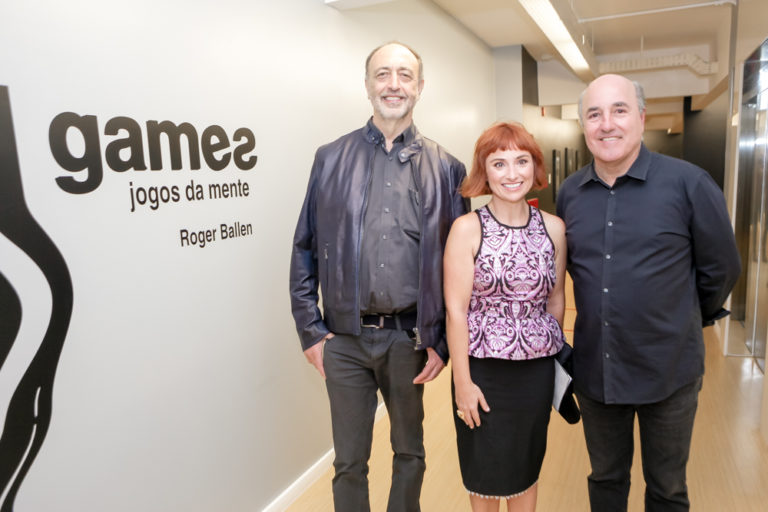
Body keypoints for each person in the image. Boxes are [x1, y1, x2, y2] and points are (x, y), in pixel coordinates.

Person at [289, 41, 469, 512]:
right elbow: (304, 246)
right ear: (368, 85)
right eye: (383, 74)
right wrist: (312, 330)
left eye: (405, 75)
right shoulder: (330, 159)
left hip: (408, 340)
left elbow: (459, 268)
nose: (394, 84)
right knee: (349, 461)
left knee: (410, 452)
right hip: (343, 339)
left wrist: (443, 340)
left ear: (420, 87)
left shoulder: (448, 170)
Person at [556, 74, 741, 511]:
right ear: (584, 125)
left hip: (669, 370)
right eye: (594, 114)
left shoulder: (688, 183)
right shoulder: (570, 193)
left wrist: (683, 316)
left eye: (619, 110)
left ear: (640, 118)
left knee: (667, 488)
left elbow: (722, 268)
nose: (607, 124)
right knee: (605, 479)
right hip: (597, 370)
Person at [443, 122, 567, 512]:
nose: (512, 174)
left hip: (535, 374)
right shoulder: (466, 229)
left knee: (525, 467)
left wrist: (556, 363)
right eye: (499, 164)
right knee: (483, 472)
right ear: (485, 171)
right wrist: (462, 382)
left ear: (535, 168)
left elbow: (557, 300)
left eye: (521, 161)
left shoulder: (554, 229)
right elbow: (455, 311)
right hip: (482, 373)